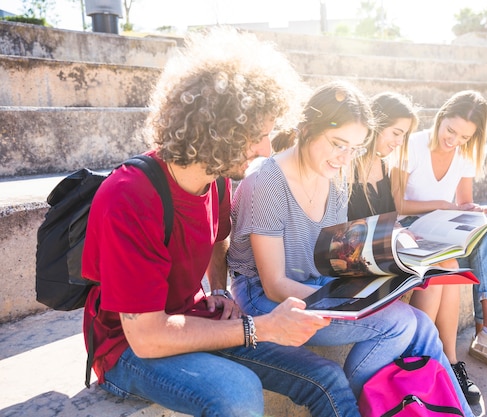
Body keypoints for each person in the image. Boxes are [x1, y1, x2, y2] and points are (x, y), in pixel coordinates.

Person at [81, 27, 363, 417]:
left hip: (191, 317)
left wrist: (219, 290)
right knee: (236, 391)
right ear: (216, 129)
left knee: (327, 377)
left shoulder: (215, 181)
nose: (266, 149)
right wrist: (260, 328)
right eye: (256, 136)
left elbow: (217, 239)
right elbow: (146, 336)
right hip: (126, 349)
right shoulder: (129, 197)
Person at [228, 81, 475, 417]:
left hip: (314, 284)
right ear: (306, 130)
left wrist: (394, 264)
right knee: (400, 322)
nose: (345, 158)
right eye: (337, 144)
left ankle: (451, 411)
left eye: (354, 148)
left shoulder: (334, 178)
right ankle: (363, 405)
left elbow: (333, 256)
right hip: (264, 299)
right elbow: (274, 284)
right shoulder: (266, 181)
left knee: (422, 325)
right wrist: (356, 305)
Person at [392, 90, 487, 381]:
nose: (454, 141)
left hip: (441, 224)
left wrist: (476, 212)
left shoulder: (464, 154)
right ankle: (437, 358)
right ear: (441, 117)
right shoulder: (414, 145)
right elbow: (395, 204)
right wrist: (442, 205)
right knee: (451, 267)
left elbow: (463, 203)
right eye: (451, 131)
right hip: (407, 226)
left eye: (464, 138)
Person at [348, 91, 482, 405]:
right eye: (396, 133)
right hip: (359, 255)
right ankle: (423, 363)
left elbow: (386, 218)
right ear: (375, 125)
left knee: (448, 266)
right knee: (436, 274)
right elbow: (359, 224)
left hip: (385, 244)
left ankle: (448, 362)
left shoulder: (380, 165)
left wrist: (405, 237)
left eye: (403, 135)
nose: (399, 142)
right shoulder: (348, 165)